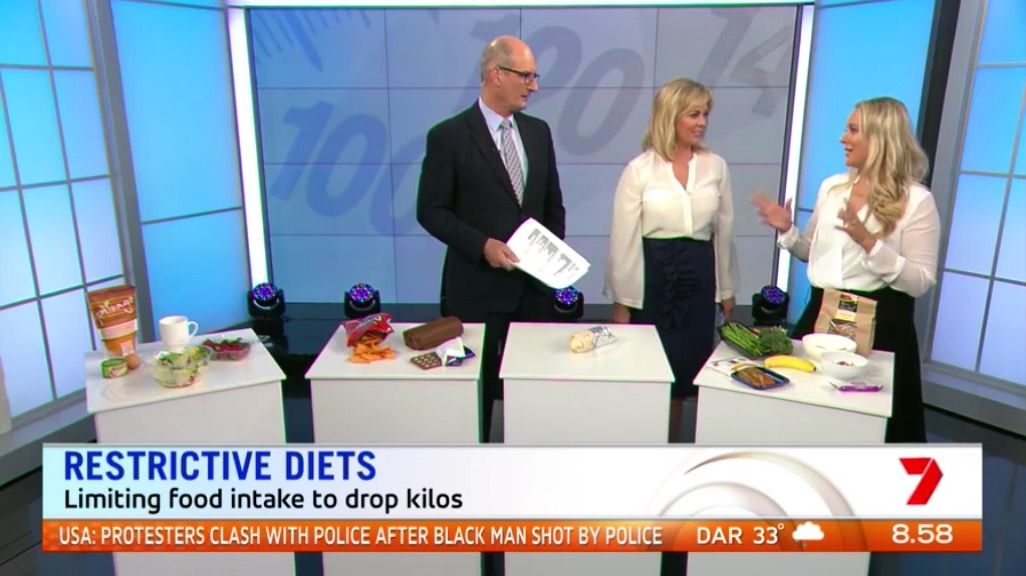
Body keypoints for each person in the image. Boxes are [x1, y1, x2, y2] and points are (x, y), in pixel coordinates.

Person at [752, 96, 940, 443]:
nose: (843, 138)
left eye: (853, 130)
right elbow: (812, 252)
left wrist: (870, 243)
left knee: (873, 432)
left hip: (883, 325)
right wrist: (787, 231)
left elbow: (920, 282)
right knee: (803, 420)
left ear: (880, 137)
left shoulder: (917, 201)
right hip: (822, 315)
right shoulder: (832, 188)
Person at [417, 35, 566, 442]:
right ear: (495, 74)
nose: (534, 86)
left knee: (534, 392)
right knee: (475, 396)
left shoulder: (538, 132)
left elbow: (552, 206)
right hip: (475, 291)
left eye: (535, 76)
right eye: (526, 76)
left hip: (533, 291)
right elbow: (431, 211)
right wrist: (482, 245)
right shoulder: (448, 137)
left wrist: (552, 261)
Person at [605, 77, 739, 402]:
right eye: (694, 114)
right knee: (648, 376)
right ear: (671, 116)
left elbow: (724, 233)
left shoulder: (716, 166)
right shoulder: (639, 170)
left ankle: (677, 432)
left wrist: (726, 290)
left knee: (685, 378)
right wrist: (622, 304)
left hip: (699, 280)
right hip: (653, 282)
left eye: (705, 114)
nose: (702, 122)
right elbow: (624, 243)